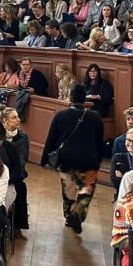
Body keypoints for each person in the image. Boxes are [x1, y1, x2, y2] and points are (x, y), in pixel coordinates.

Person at [41, 84, 104, 234]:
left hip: (66, 160)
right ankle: (77, 213)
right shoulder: (95, 117)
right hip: (89, 160)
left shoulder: (60, 116)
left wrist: (44, 159)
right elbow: (99, 141)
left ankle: (69, 215)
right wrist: (99, 158)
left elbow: (51, 139)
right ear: (85, 99)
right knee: (86, 189)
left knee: (68, 189)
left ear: (70, 97)